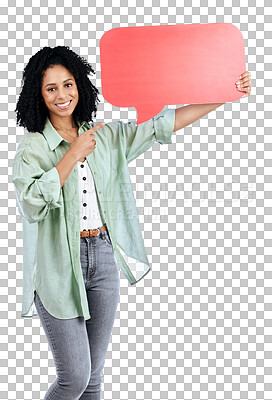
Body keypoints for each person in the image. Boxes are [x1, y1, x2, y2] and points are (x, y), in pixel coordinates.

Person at [12, 45, 251, 400]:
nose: (62, 95)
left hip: (103, 258)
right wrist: (73, 154)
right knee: (74, 379)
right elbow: (31, 205)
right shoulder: (32, 149)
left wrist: (226, 93)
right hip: (58, 266)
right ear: (39, 94)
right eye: (51, 88)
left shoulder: (106, 135)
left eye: (68, 84)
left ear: (80, 86)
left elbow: (163, 125)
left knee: (93, 379)